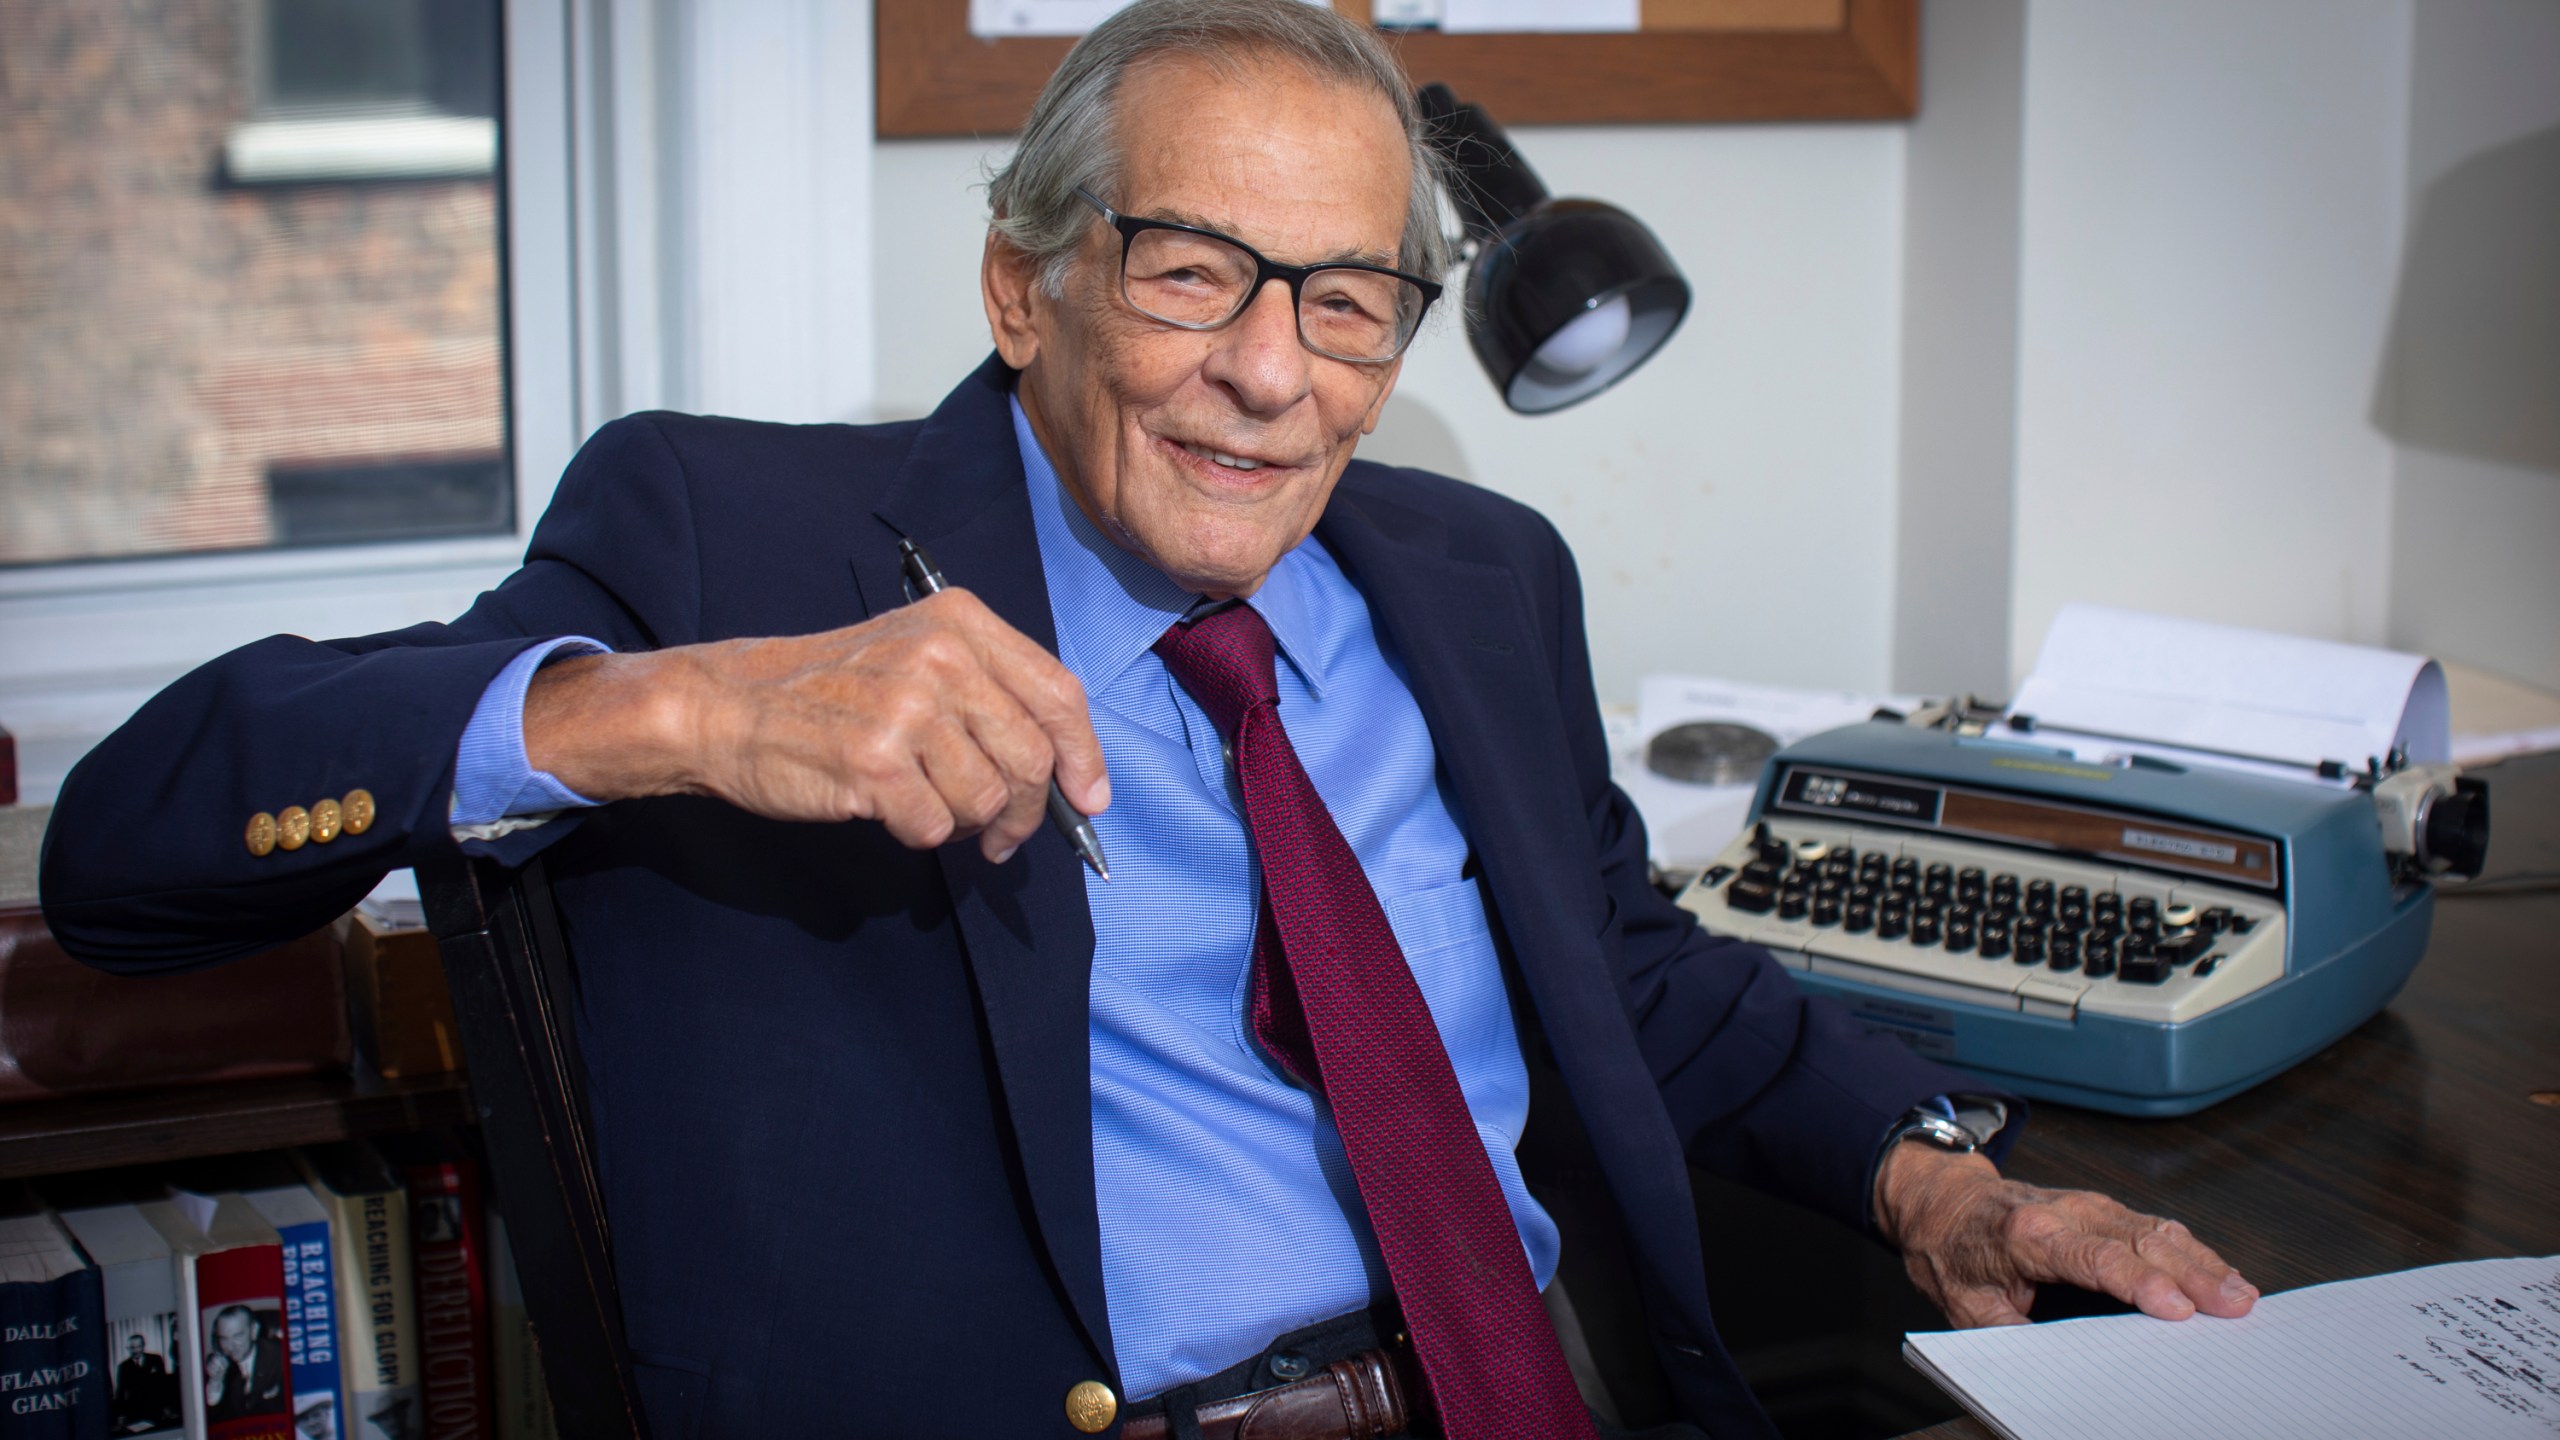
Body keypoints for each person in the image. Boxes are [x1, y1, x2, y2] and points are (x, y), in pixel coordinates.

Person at [41, 3, 2256, 1436]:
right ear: (1024, 287)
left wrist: (1929, 1180)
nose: (1269, 370)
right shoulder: (730, 541)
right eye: (1189, 270)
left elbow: (1634, 975)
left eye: (1345, 299)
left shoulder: (1478, 578)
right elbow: (126, 851)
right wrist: (677, 710)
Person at [204, 1306, 287, 1421]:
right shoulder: (219, 1365)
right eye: (223, 1339)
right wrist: (215, 1381)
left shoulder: (281, 1356)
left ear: (254, 1331)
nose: (230, 1346)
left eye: (237, 1337)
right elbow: (213, 1417)